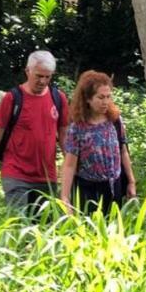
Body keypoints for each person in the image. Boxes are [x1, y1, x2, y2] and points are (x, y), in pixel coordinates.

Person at [0, 50, 69, 213]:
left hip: (47, 177)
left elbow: (64, 136)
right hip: (16, 174)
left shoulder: (58, 98)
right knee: (19, 226)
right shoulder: (13, 98)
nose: (43, 81)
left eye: (47, 77)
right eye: (39, 76)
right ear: (28, 71)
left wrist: (70, 169)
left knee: (42, 230)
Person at [60, 70, 136, 214]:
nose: (105, 102)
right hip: (88, 190)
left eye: (108, 97)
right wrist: (65, 197)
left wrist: (131, 182)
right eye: (100, 97)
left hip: (114, 187)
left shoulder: (115, 121)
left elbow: (123, 151)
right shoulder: (77, 127)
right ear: (87, 99)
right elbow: (70, 165)